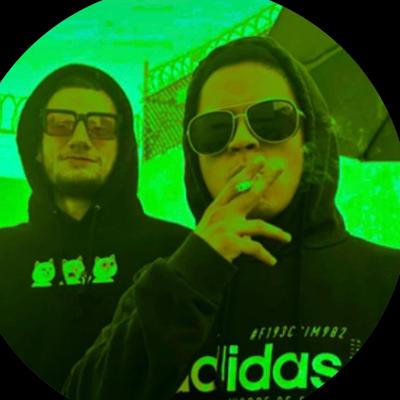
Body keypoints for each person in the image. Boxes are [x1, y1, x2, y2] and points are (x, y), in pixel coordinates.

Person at [62, 37, 399, 400]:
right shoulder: (162, 284)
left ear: (309, 138)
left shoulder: (382, 278)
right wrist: (193, 272)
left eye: (271, 120)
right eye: (214, 129)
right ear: (194, 158)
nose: (241, 140)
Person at [0, 64, 189, 394]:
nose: (80, 139)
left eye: (101, 127)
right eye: (60, 124)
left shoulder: (176, 252)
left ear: (122, 148)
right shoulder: (4, 255)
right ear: (35, 147)